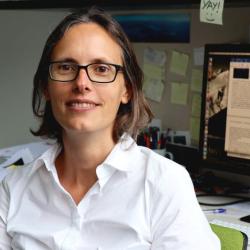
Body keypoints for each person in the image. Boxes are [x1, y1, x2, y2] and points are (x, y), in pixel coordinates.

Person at [0, 7, 220, 250]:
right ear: (46, 86)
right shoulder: (12, 188)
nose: (82, 83)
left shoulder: (164, 183)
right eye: (65, 67)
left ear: (127, 89)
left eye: (101, 69)